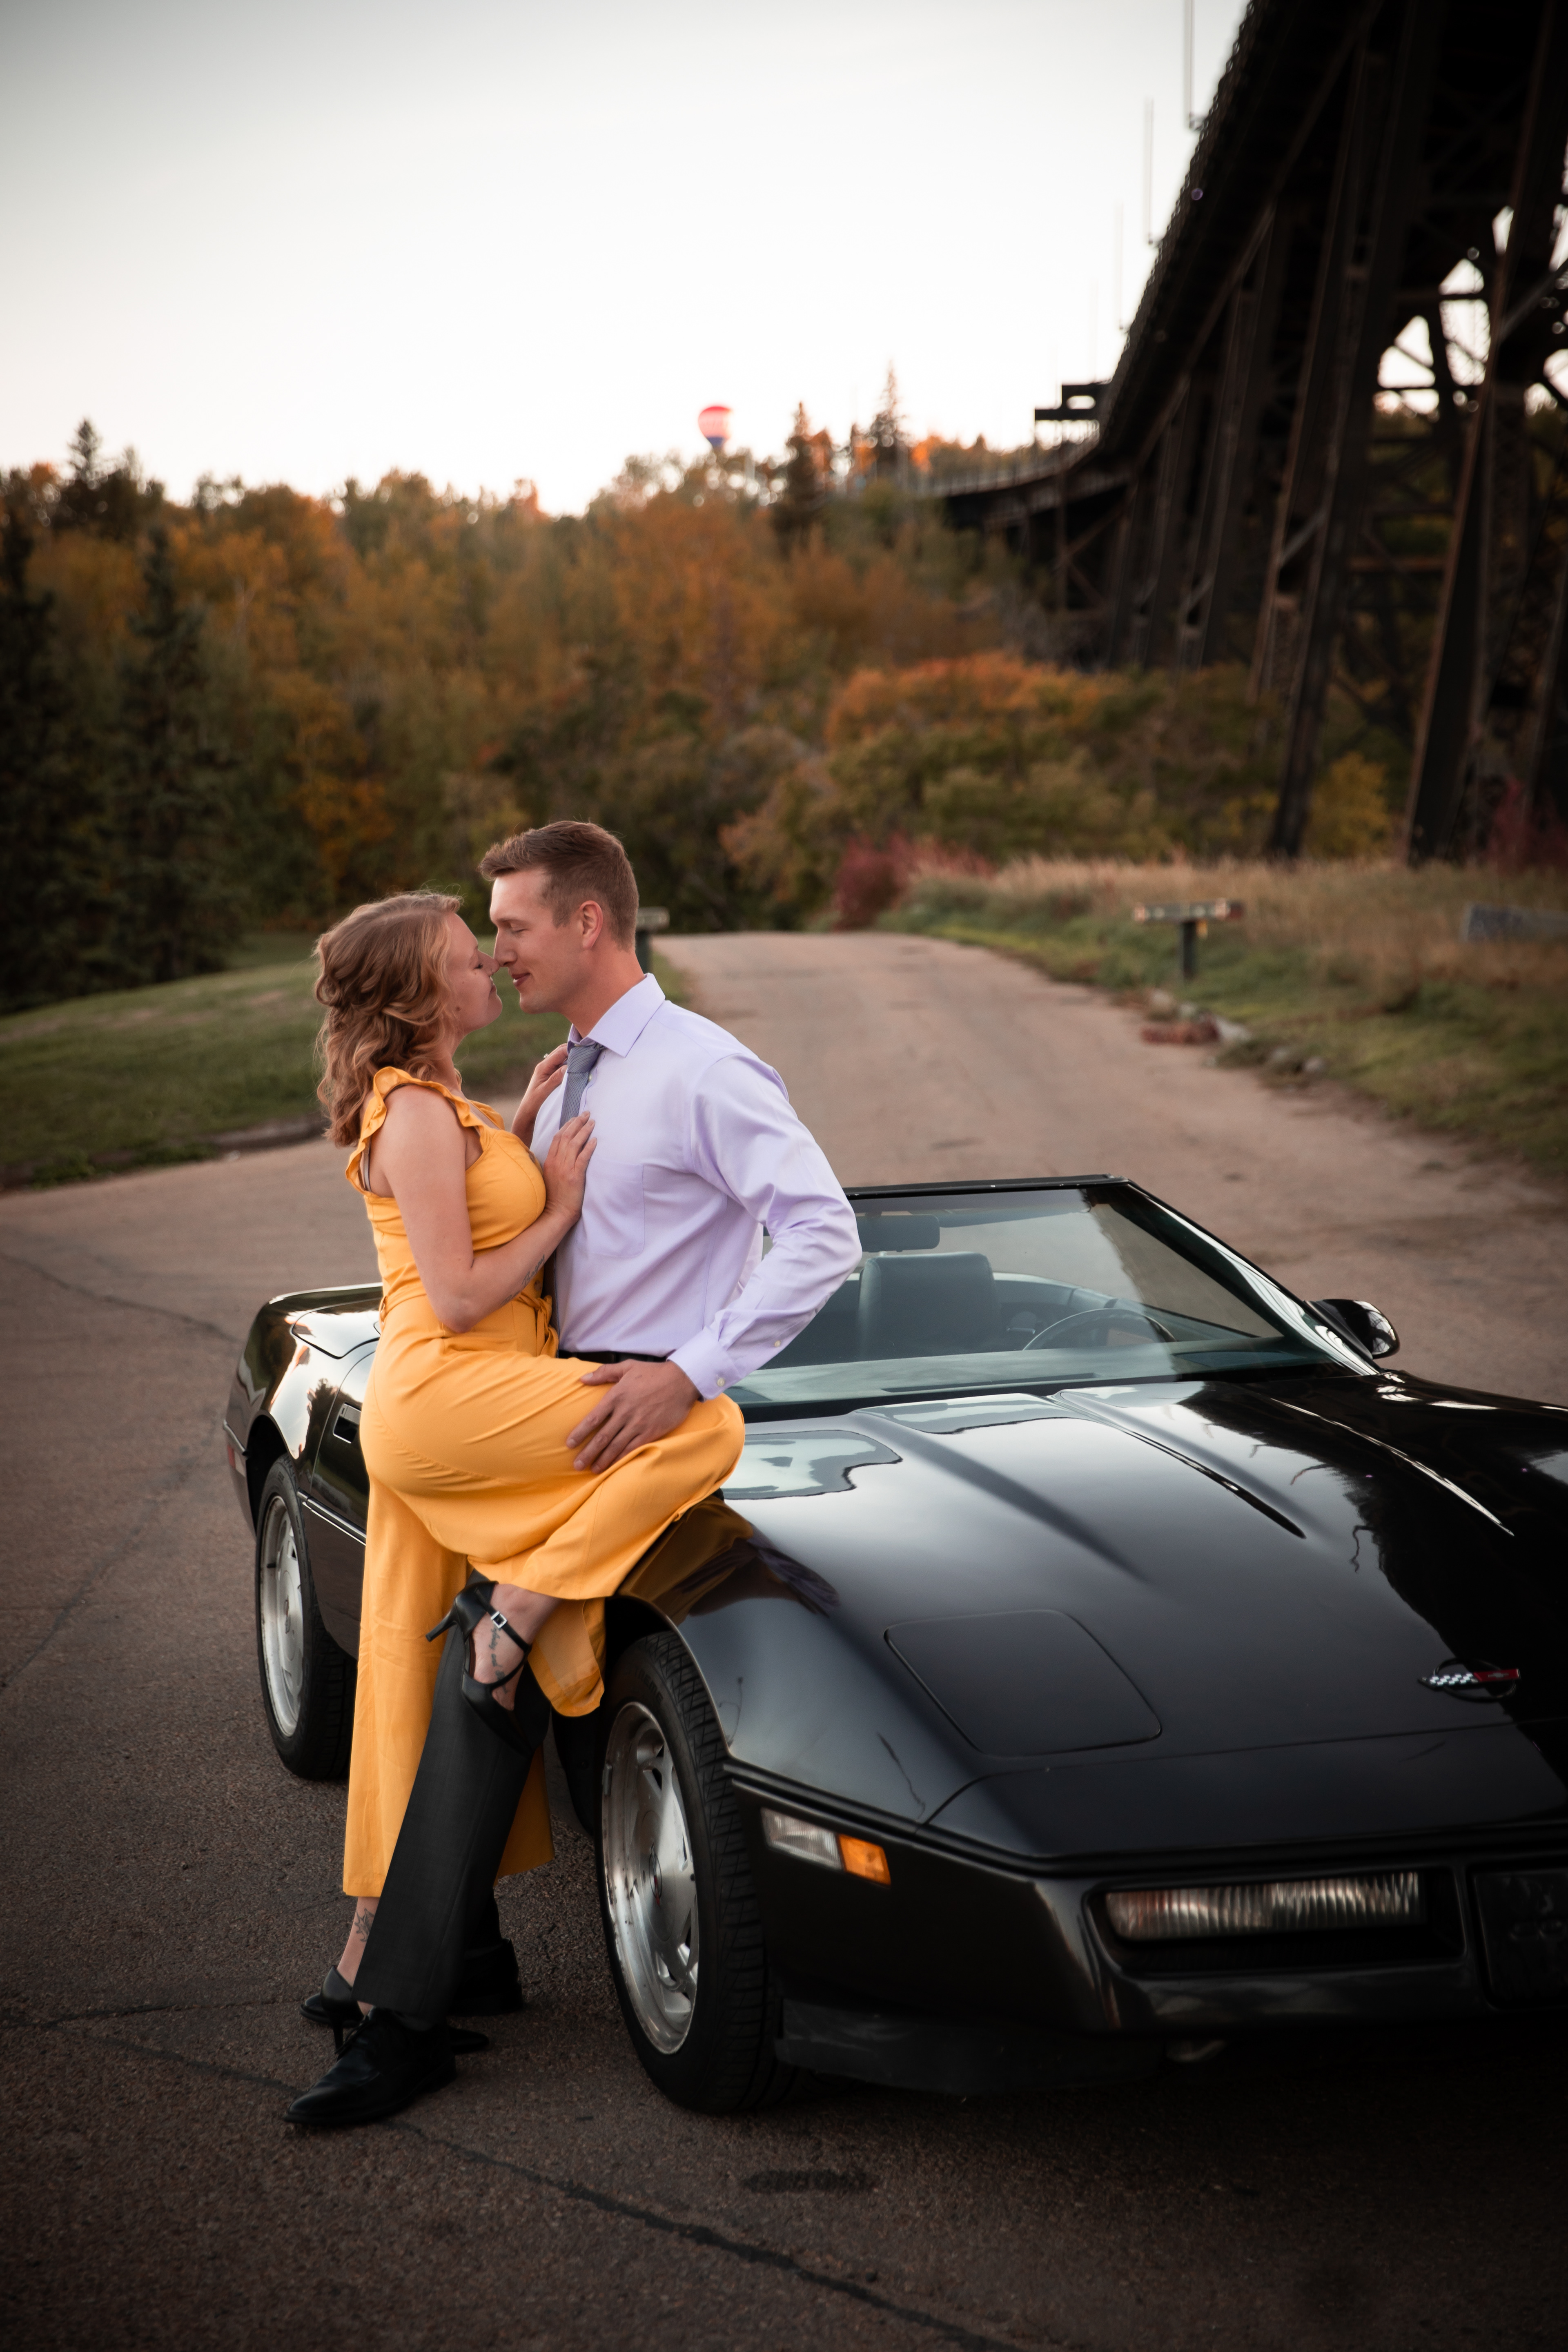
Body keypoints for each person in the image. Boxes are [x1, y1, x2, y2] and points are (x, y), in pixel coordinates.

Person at [287, 822, 862, 2127]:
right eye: (482, 936)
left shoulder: (705, 1070)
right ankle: (411, 1989)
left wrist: (694, 1365)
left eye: (517, 927)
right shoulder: (558, 1081)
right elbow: (501, 1245)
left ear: (590, 924)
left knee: (483, 1690)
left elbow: (821, 1233)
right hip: (537, 1412)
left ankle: (410, 1985)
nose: (501, 948)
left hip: (633, 1417)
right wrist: (533, 1152)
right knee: (460, 1694)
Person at [301, 883, 747, 2049]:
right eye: (466, 954)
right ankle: (522, 1613)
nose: (490, 964)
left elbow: (452, 1202)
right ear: (417, 991)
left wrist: (518, 1116)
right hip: (451, 1391)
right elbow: (456, 1289)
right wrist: (562, 1205)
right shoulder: (411, 1112)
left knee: (401, 1673)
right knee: (697, 1419)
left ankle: (368, 1950)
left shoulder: (442, 1102)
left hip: (448, 1402)